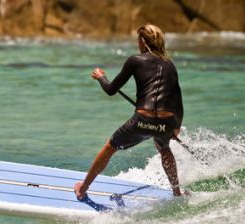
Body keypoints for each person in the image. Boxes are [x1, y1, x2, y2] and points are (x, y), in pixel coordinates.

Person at [74, 24, 185, 199]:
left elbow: (111, 89)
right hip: (167, 121)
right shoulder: (170, 64)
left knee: (110, 147)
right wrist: (176, 127)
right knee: (164, 148)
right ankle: (177, 192)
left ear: (142, 41)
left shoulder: (135, 60)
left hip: (143, 119)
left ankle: (82, 188)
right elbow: (178, 100)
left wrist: (100, 76)